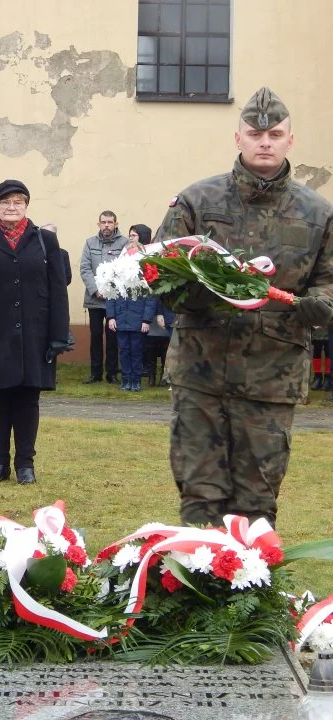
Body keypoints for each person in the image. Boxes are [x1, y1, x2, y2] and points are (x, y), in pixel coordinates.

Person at [156, 86, 333, 526]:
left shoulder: (317, 214)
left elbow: (329, 279)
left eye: (275, 134)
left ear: (290, 140)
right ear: (238, 139)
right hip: (201, 371)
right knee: (200, 497)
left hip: (271, 376)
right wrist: (205, 290)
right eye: (256, 134)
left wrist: (321, 304)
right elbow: (157, 273)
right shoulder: (198, 202)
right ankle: (194, 589)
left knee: (256, 504)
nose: (265, 142)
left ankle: (248, 588)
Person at [0, 180, 70, 485]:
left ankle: (25, 464)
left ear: (26, 206)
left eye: (18, 202)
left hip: (34, 334)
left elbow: (58, 290)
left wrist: (59, 335)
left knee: (27, 400)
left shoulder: (45, 240)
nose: (12, 207)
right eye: (6, 202)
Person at [79, 211, 126, 384]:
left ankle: (112, 373)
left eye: (110, 222)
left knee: (113, 337)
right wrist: (96, 290)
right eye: (103, 222)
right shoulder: (90, 243)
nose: (107, 225)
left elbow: (126, 268)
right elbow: (85, 268)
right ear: (98, 224)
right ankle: (95, 373)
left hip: (115, 299)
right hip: (94, 300)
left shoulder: (124, 243)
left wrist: (112, 289)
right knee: (96, 336)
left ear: (116, 223)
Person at [105, 225, 154, 392]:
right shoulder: (117, 273)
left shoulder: (144, 275)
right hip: (120, 318)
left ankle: (136, 380)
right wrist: (111, 317)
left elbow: (150, 298)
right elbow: (111, 296)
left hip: (138, 319)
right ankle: (126, 380)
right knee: (124, 351)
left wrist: (146, 320)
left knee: (137, 351)